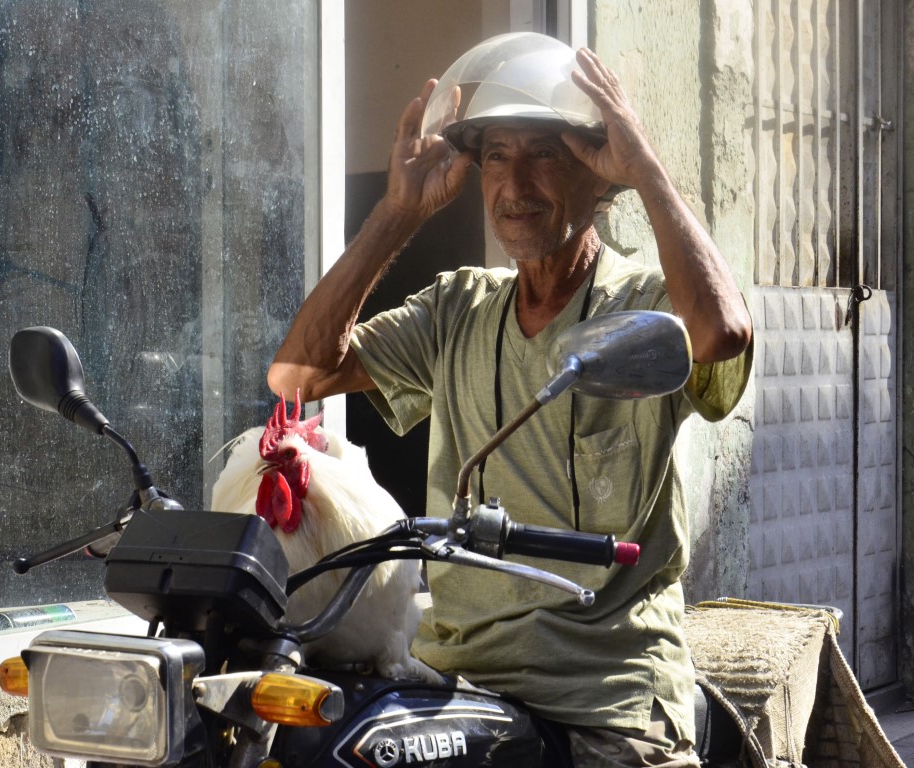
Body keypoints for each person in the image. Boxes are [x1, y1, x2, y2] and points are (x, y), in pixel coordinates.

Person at [269, 32, 753, 768]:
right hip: (457, 680)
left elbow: (720, 332)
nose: (514, 182)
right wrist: (398, 212)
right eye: (496, 155)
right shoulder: (459, 307)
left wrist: (646, 165)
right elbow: (300, 375)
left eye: (545, 153)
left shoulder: (645, 309)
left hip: (603, 695)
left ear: (598, 173)